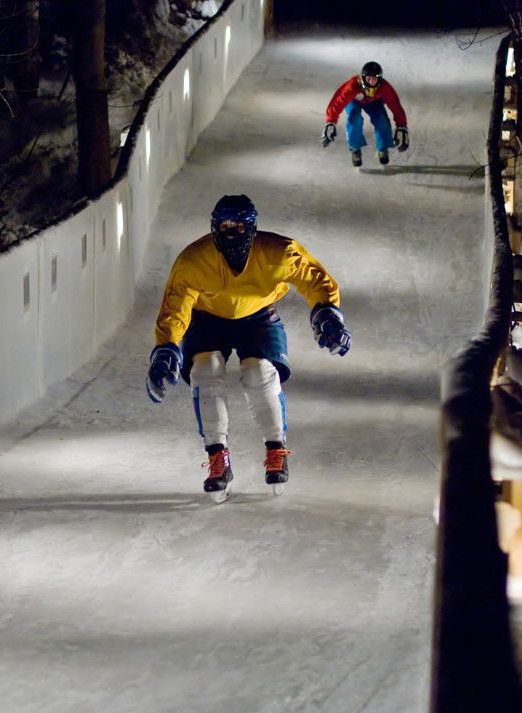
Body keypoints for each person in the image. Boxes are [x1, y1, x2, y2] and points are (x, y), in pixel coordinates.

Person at [146, 194, 351, 502]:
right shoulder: (193, 262)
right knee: (205, 371)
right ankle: (218, 457)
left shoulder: (278, 253)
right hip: (207, 318)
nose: (232, 234)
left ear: (252, 229)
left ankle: (276, 446)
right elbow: (176, 307)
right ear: (215, 229)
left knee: (259, 371)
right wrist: (167, 346)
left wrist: (326, 310)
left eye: (239, 226)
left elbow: (314, 279)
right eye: (225, 226)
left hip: (258, 315)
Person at [321, 61, 409, 168]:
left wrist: (401, 126)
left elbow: (395, 105)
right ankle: (355, 148)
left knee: (382, 121)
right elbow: (338, 101)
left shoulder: (384, 87)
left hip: (374, 101)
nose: (371, 82)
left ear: (379, 79)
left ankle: (383, 148)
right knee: (354, 119)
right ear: (363, 78)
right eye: (368, 79)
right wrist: (330, 121)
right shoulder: (352, 86)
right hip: (353, 101)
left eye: (374, 79)